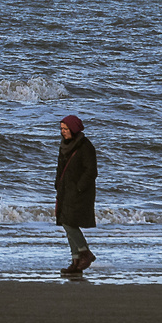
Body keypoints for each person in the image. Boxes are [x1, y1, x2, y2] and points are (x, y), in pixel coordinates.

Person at [55, 114, 97, 276]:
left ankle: (85, 253)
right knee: (66, 222)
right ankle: (76, 261)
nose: (63, 132)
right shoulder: (64, 145)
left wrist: (79, 187)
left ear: (74, 129)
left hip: (80, 193)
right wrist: (57, 184)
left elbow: (91, 171)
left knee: (69, 222)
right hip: (65, 190)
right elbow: (60, 168)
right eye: (61, 129)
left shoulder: (85, 147)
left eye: (66, 129)